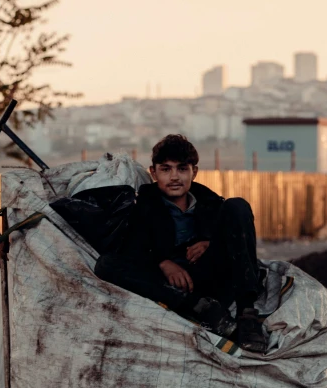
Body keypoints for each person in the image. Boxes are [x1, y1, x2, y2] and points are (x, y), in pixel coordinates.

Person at [95, 134, 266, 352]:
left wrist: (209, 242)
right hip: (169, 286)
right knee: (106, 264)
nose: (174, 176)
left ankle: (247, 317)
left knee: (238, 206)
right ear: (153, 172)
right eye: (166, 169)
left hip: (209, 277)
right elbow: (132, 250)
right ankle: (197, 308)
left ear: (194, 172)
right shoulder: (142, 206)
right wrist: (163, 262)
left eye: (182, 169)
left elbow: (235, 242)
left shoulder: (213, 205)